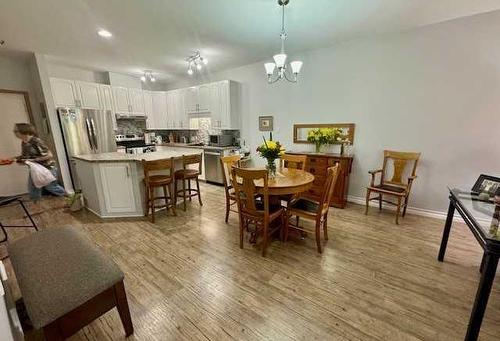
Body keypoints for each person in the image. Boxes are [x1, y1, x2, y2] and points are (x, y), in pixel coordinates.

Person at [13, 123, 66, 202]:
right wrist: (14, 159)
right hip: (36, 169)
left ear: (23, 131)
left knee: (51, 187)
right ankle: (36, 205)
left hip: (48, 168)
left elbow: (49, 155)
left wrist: (34, 160)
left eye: (16, 131)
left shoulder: (36, 141)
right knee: (33, 189)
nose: (14, 133)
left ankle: (70, 198)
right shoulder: (24, 142)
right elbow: (25, 156)